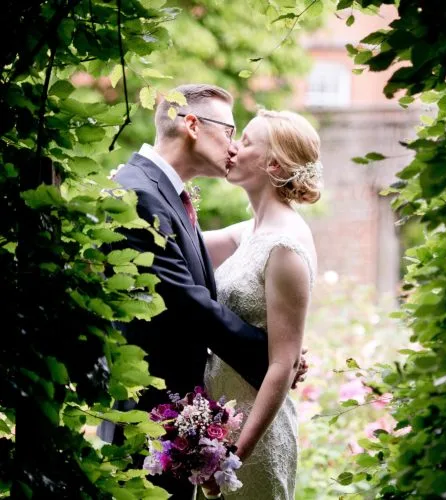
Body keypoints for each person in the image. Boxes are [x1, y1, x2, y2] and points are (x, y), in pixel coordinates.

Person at [97, 85, 307, 500]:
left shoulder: (165, 192)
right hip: (146, 423)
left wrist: (283, 352)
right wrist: (273, 357)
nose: (232, 147)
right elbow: (185, 299)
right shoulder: (139, 192)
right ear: (192, 125)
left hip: (171, 423)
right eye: (230, 131)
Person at [198, 109, 322, 499]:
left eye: (246, 141)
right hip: (220, 429)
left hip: (253, 443)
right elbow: (180, 245)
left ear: (273, 163)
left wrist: (233, 457)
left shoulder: (284, 246)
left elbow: (283, 366)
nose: (233, 147)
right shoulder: (250, 230)